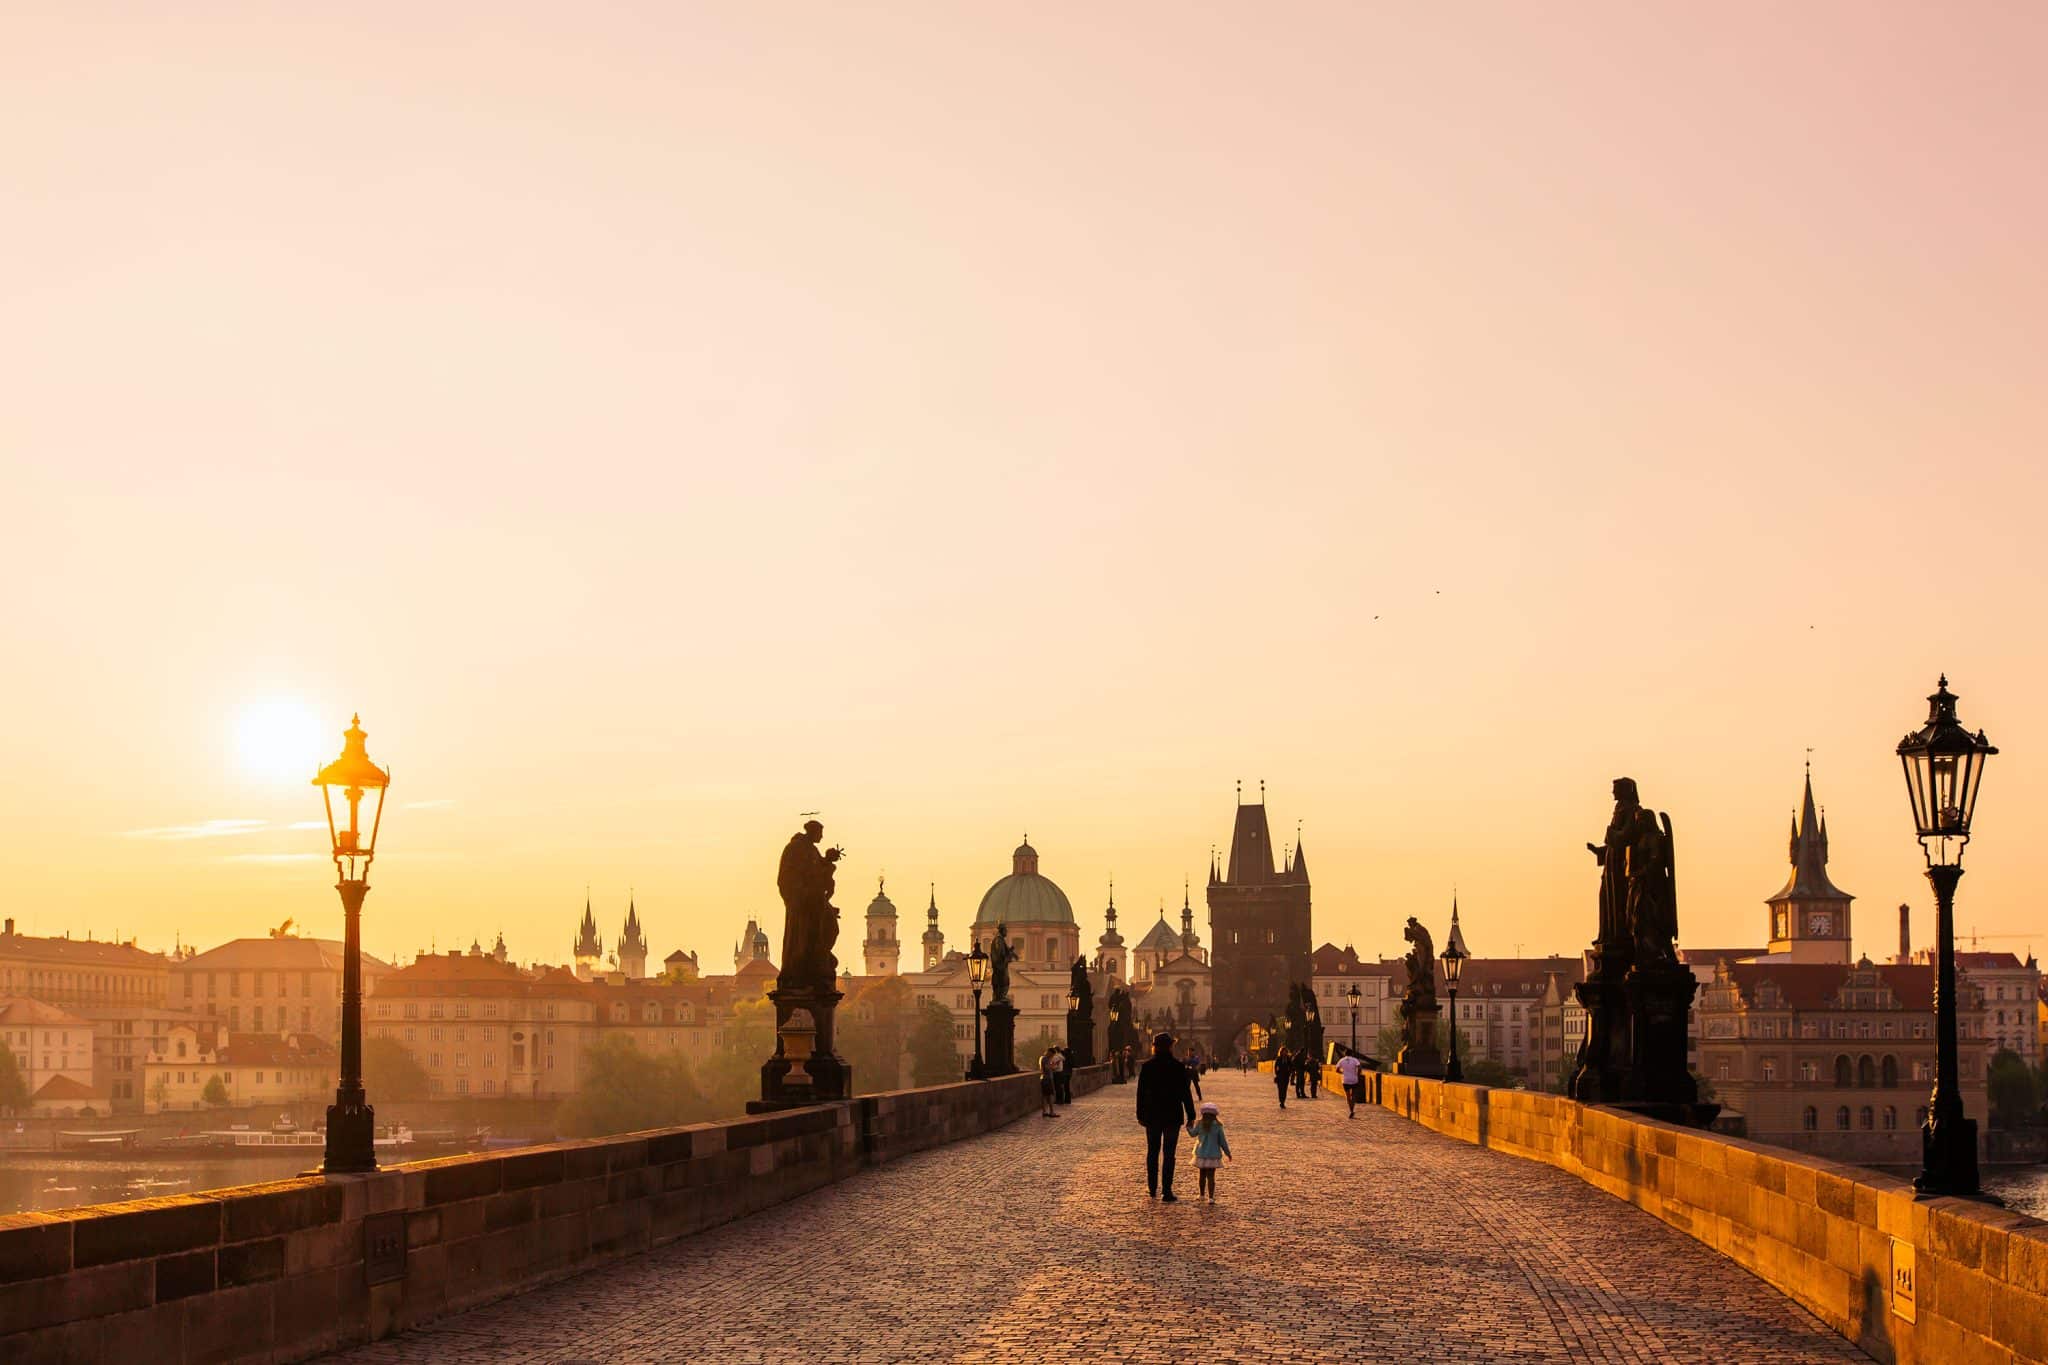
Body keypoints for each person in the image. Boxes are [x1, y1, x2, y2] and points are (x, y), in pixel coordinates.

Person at [1136, 1032, 1196, 1201]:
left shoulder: (1147, 1067)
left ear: (1154, 1046)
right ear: (1170, 1046)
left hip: (1152, 1116)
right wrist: (1191, 1114)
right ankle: (1167, 1191)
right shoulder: (1177, 1067)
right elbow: (1186, 1093)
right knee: (1169, 1154)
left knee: (1152, 1152)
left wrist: (1140, 1114)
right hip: (1172, 1116)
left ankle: (1152, 1187)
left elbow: (1140, 1094)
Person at [1188, 1101, 1231, 1201]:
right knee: (1211, 1177)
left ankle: (1202, 1195)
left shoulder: (1200, 1124)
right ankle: (1211, 1197)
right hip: (1213, 1155)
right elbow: (1222, 1141)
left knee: (1202, 1175)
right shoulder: (1218, 1126)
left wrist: (1189, 1127)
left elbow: (1192, 1134)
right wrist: (1227, 1153)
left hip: (1201, 1154)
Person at [1335, 1049, 1365, 1119]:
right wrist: (1358, 1074)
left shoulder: (1341, 1060)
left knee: (1348, 1096)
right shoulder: (1355, 1060)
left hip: (1345, 1080)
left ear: (1345, 1054)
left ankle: (1351, 1110)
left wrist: (1342, 1073)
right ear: (1351, 1054)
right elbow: (1360, 1067)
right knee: (1354, 1095)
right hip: (1354, 1079)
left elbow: (1336, 1070)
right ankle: (1352, 1108)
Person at [1038, 1049, 1059, 1118]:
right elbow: (1047, 1068)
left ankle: (1044, 1111)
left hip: (1044, 1078)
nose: (1052, 1056)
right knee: (1049, 1096)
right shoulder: (1045, 1059)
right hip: (1047, 1079)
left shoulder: (1042, 1058)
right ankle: (1051, 1112)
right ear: (1049, 1053)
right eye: (1052, 1054)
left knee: (1044, 1096)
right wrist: (1054, 1065)